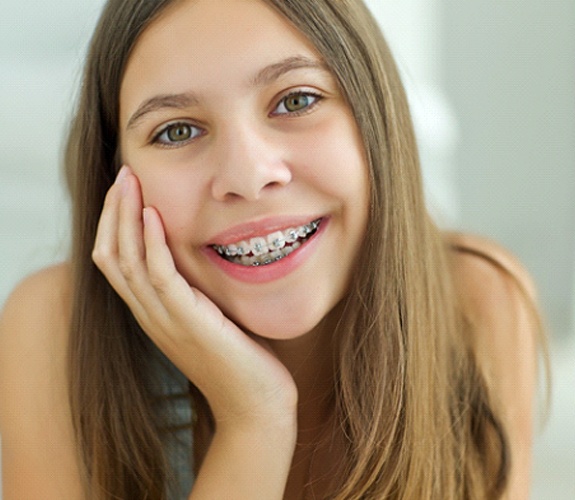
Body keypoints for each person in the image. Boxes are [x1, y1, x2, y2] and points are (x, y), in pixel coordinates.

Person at [0, 0, 545, 498]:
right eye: (176, 132)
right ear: (114, 178)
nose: (247, 175)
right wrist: (254, 420)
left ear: (375, 116)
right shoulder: (54, 329)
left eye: (297, 99)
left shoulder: (478, 301)